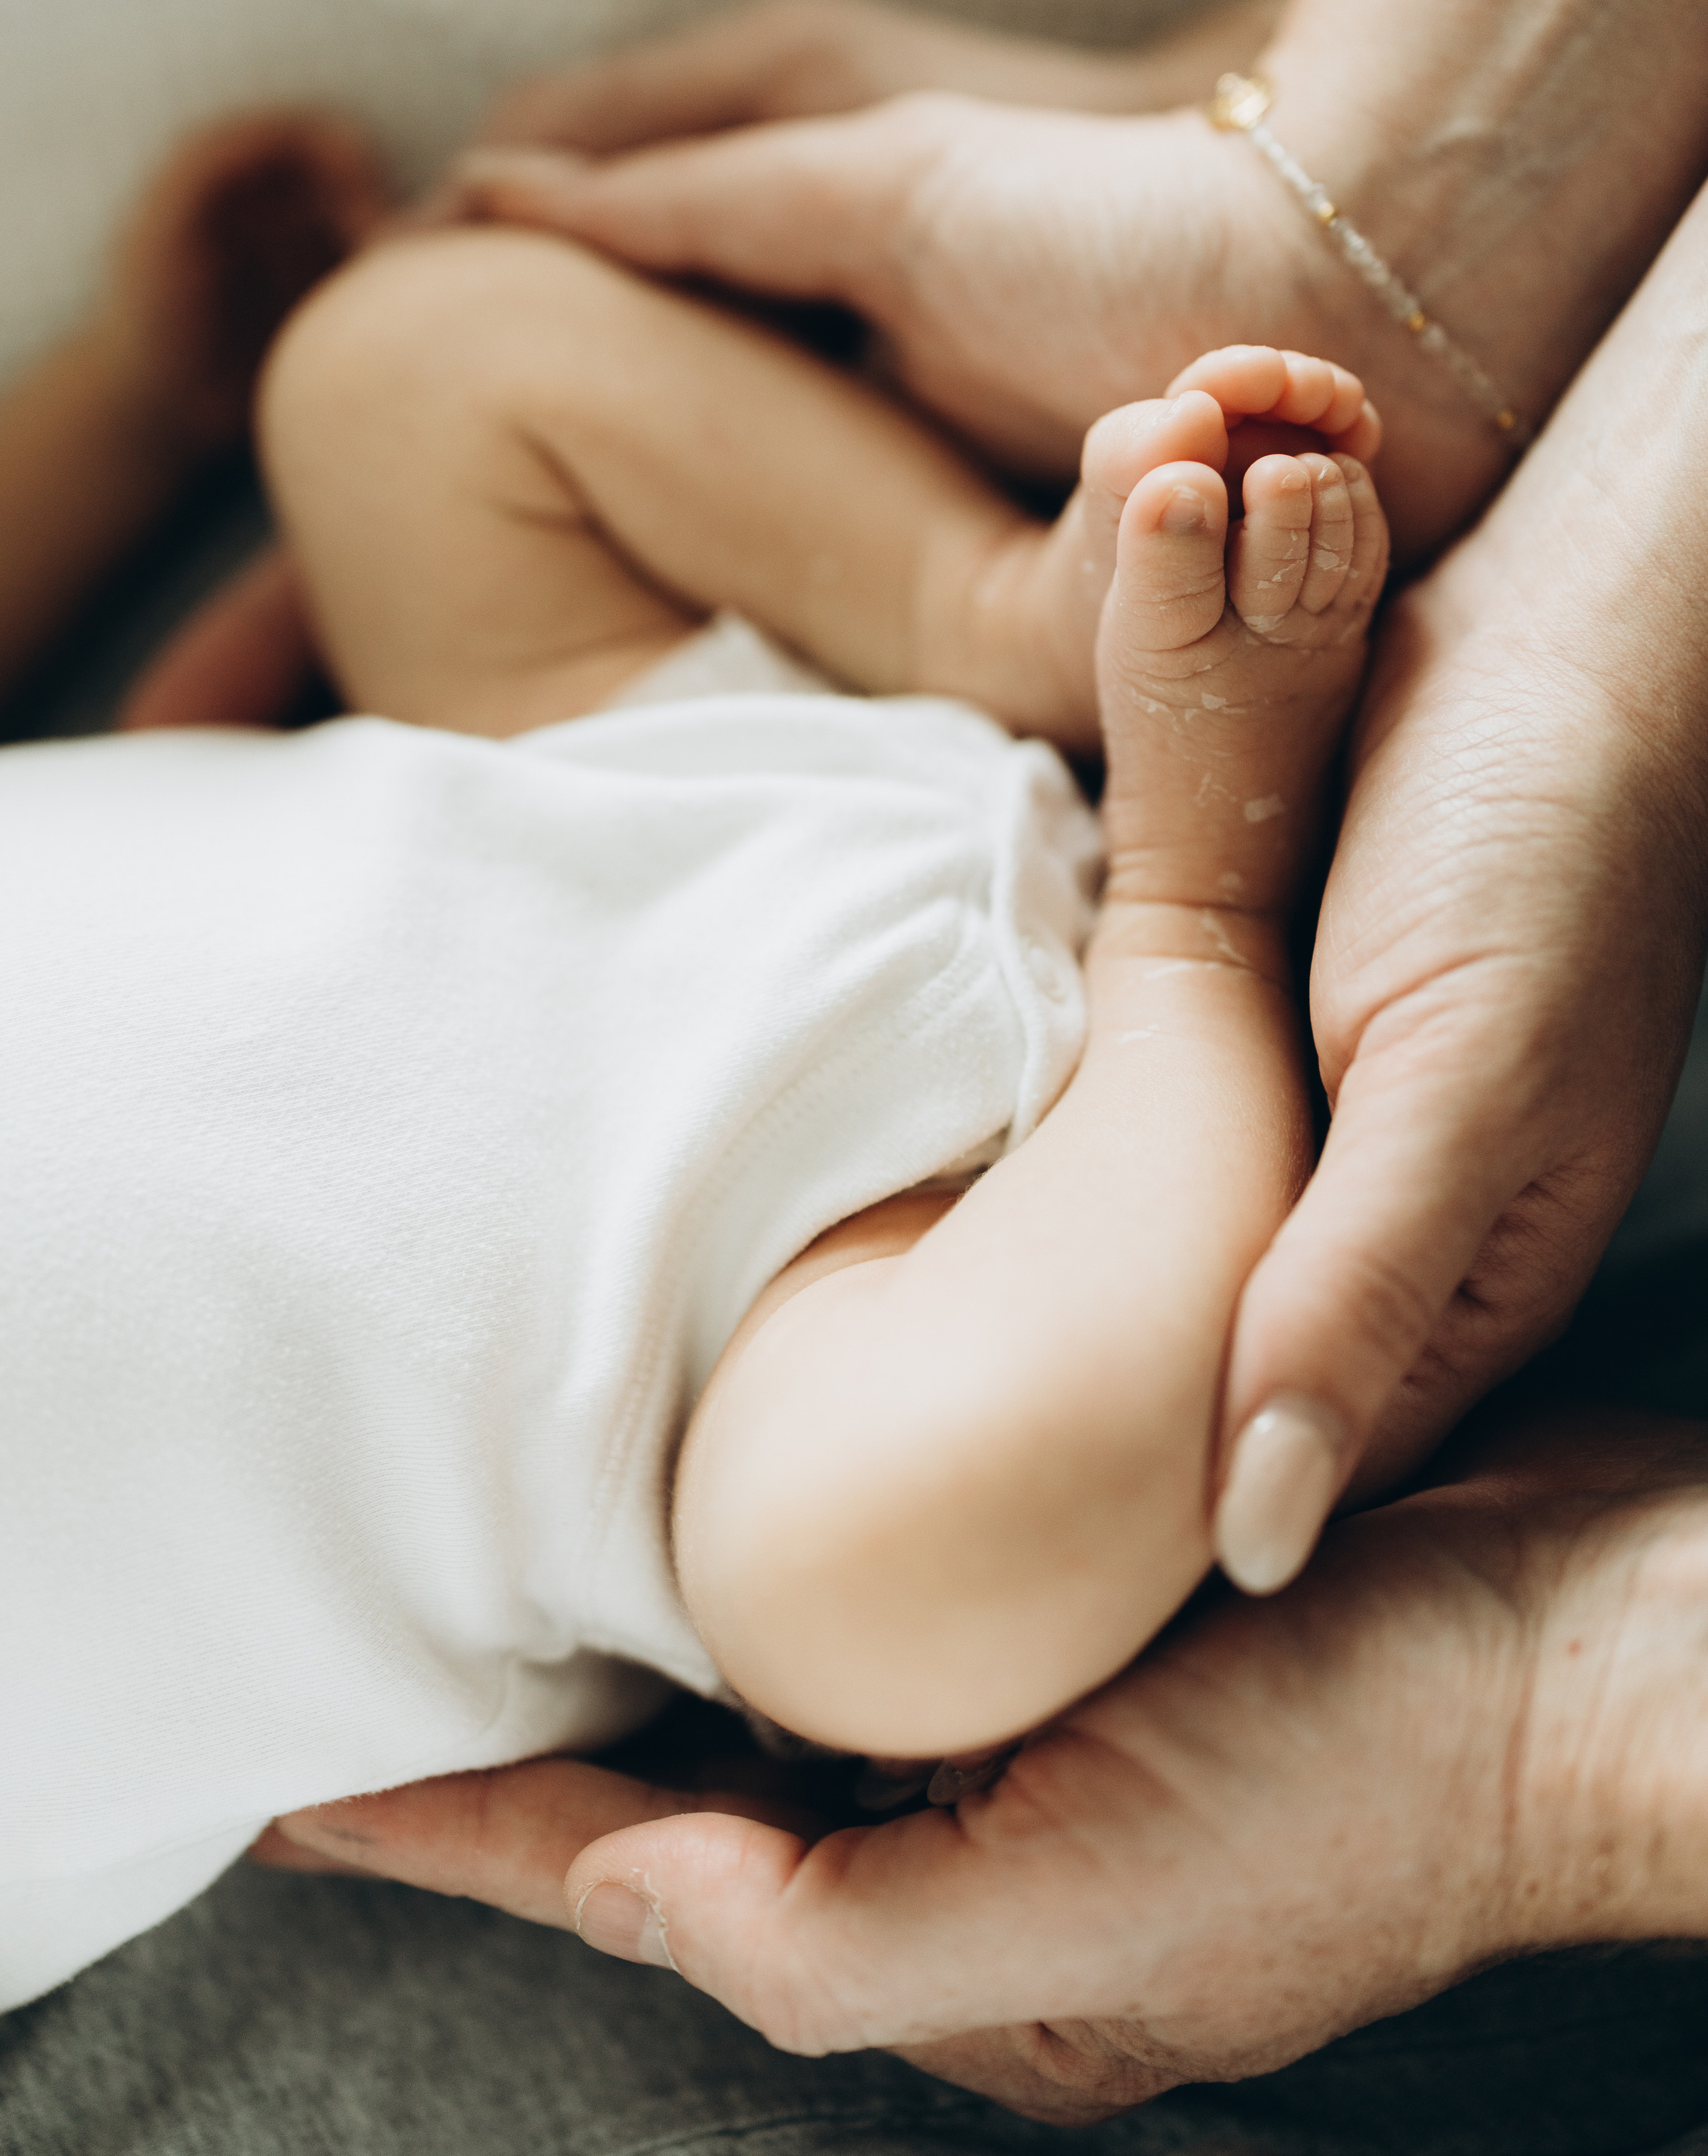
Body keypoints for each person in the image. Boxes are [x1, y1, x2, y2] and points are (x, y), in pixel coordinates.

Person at [0, 105, 1389, 2005]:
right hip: (741, 1336)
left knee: (390, 369)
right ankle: (1198, 912)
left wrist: (126, 400)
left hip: (600, 767)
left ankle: (997, 608)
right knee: (910, 1589)